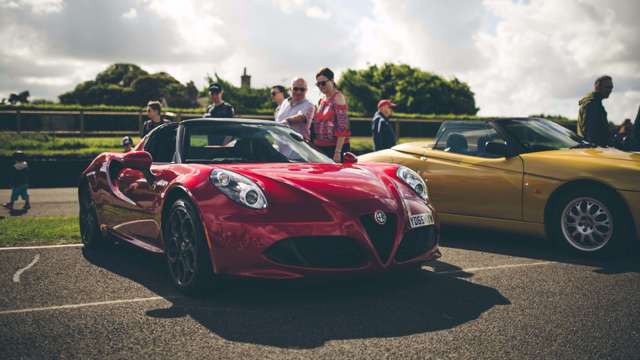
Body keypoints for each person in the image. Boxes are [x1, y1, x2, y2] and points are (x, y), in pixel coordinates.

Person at [312, 67, 351, 162]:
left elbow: (342, 127)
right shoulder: (322, 100)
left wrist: (337, 152)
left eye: (323, 83)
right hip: (321, 148)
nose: (321, 86)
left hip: (334, 149)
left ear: (332, 80)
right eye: (318, 84)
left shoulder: (338, 98)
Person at [577, 75, 614, 147]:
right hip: (593, 151)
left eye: (611, 88)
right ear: (597, 87)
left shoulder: (595, 103)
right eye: (607, 87)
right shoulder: (592, 104)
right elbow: (589, 133)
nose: (610, 90)